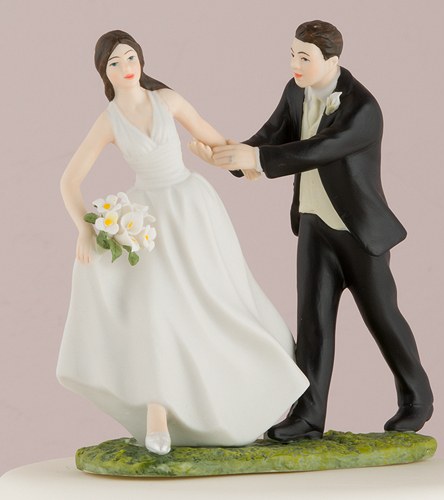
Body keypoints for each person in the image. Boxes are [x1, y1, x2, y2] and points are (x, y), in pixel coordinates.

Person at [56, 30, 308, 455]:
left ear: (141, 59)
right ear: (104, 72)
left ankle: (242, 389)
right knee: (157, 311)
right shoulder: (109, 121)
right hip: (148, 223)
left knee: (213, 301)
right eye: (114, 62)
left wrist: (245, 165)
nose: (125, 67)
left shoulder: (167, 100)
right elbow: (69, 181)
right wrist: (85, 228)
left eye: (129, 57)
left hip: (191, 212)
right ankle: (157, 412)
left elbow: (214, 138)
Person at [193, 20, 433, 442]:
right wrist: (231, 157)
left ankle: (417, 398)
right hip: (313, 226)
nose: (295, 64)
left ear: (332, 61)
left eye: (304, 57)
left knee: (383, 318)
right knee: (313, 325)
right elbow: (272, 136)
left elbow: (318, 150)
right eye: (292, 54)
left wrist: (256, 160)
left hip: (358, 233)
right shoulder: (295, 92)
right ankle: (308, 415)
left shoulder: (363, 109)